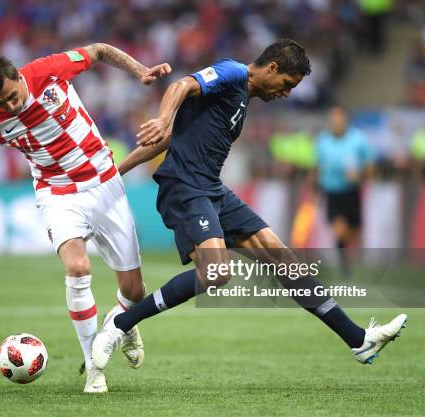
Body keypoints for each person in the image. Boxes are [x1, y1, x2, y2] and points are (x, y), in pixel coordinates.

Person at [92, 39, 406, 375]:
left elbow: (172, 139)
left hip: (212, 190)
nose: (285, 93)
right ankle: (120, 324)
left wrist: (114, 172)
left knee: (284, 261)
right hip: (185, 188)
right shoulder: (232, 72)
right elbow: (181, 86)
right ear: (272, 68)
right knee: (216, 272)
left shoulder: (239, 99)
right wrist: (164, 118)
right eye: (287, 84)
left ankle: (358, 340)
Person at [0, 43, 172, 393]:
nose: (10, 105)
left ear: (19, 77)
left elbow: (98, 50)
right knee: (78, 268)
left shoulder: (48, 70)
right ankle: (95, 367)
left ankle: (122, 325)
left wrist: (139, 70)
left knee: (134, 291)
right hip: (56, 193)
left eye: (11, 95)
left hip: (104, 181)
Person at [316, 106, 374, 275]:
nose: (336, 124)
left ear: (346, 121)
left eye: (339, 120)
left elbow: (370, 166)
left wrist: (359, 175)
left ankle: (347, 253)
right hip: (332, 192)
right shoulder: (323, 141)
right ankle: (344, 263)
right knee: (339, 229)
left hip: (352, 192)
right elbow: (317, 166)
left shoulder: (358, 139)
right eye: (333, 121)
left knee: (354, 232)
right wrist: (315, 187)